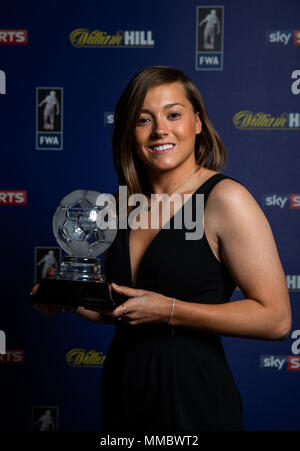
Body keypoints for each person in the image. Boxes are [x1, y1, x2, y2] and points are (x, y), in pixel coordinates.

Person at [33, 66, 291, 431]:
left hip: (192, 394)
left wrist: (170, 310)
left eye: (173, 114)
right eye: (144, 119)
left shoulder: (225, 199)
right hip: (125, 385)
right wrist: (69, 298)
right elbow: (125, 308)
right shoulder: (120, 205)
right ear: (129, 130)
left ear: (197, 123)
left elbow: (276, 319)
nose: (160, 130)